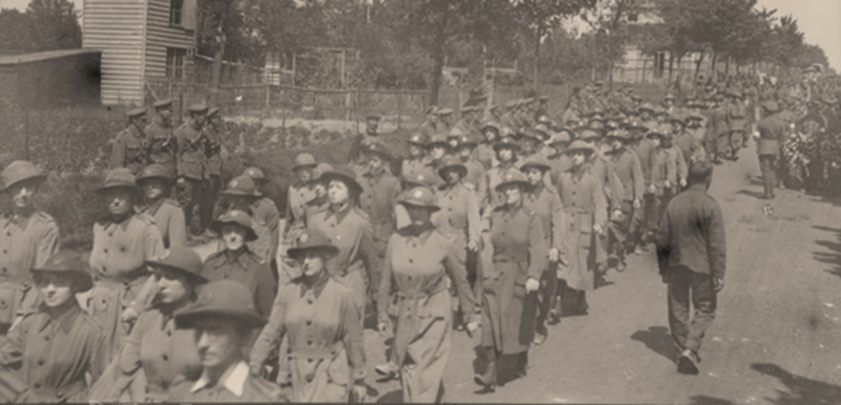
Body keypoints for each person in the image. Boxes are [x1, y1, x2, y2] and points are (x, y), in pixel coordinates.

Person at [378, 187, 479, 402]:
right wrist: (382, 314)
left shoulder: (444, 242)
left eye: (421, 210)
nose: (416, 214)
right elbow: (386, 280)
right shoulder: (396, 240)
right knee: (409, 365)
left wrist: (469, 315)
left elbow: (461, 279)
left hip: (435, 312)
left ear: (431, 212)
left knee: (425, 369)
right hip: (404, 311)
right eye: (411, 209)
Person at [251, 229, 367, 403]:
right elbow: (271, 332)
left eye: (312, 255)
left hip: (331, 377)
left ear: (325, 257)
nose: (306, 262)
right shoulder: (288, 292)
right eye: (301, 257)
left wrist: (359, 379)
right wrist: (254, 365)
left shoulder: (343, 294)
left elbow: (354, 339)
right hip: (294, 375)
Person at [90, 246, 207, 402]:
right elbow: (123, 366)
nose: (161, 284)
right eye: (158, 277)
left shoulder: (208, 322)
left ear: (191, 282)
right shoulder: (149, 318)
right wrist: (97, 399)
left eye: (171, 277)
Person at [0, 250, 106, 403]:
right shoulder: (29, 323)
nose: (50, 290)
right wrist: (19, 394)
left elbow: (104, 385)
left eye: (59, 282)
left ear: (74, 285)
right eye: (44, 282)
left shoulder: (92, 332)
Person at [474, 171, 546, 392]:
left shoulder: (531, 216)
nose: (509, 193)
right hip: (496, 273)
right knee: (490, 321)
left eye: (514, 188)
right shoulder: (495, 214)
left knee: (515, 322)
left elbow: (538, 248)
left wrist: (534, 275)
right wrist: (484, 273)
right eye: (505, 189)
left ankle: (520, 357)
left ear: (522, 191)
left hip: (519, 273)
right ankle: (491, 370)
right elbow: (489, 246)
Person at [655, 160, 726, 375]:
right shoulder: (711, 205)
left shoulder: (675, 202)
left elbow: (662, 237)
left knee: (678, 308)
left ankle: (682, 351)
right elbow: (716, 244)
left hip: (676, 263)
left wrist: (663, 267)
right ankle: (690, 348)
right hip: (703, 267)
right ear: (708, 179)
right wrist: (719, 272)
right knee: (705, 309)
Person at [89, 168, 165, 363]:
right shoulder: (99, 226)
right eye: (111, 194)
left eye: (121, 194)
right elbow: (96, 268)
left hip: (127, 305)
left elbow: (158, 274)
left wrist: (137, 306)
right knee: (96, 358)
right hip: (99, 306)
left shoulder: (147, 229)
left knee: (124, 360)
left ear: (132, 198)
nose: (115, 200)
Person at [167, 280, 286, 402]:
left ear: (244, 335)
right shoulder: (181, 392)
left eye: (215, 331)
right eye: (199, 331)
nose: (202, 343)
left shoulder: (265, 398)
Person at [307, 165, 380, 315]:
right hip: (322, 283)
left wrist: (375, 291)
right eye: (331, 186)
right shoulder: (317, 220)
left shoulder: (360, 223)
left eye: (338, 187)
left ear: (351, 191)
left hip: (351, 283)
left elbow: (372, 260)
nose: (332, 191)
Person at [0, 161, 59, 335]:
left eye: (29, 187)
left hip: (24, 312)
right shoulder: (2, 223)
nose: (23, 194)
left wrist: (23, 314)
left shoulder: (45, 227)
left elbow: (43, 277)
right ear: (9, 191)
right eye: (18, 188)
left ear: (37, 190)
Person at [555, 141, 607, 316]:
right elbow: (558, 203)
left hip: (584, 225)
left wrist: (600, 221)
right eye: (573, 154)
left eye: (579, 154)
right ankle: (559, 301)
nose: (575, 157)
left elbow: (599, 203)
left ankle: (581, 296)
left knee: (583, 264)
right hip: (565, 224)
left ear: (586, 156)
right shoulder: (563, 177)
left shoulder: (593, 179)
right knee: (563, 261)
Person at [519, 154, 565, 339]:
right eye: (528, 172)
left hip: (545, 247)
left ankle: (540, 324)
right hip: (524, 247)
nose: (531, 176)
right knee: (525, 287)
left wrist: (556, 246)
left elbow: (558, 223)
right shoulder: (521, 193)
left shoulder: (551, 195)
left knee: (544, 288)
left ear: (543, 173)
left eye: (535, 172)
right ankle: (527, 323)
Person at [202, 210, 276, 318]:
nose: (233, 236)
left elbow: (267, 315)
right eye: (227, 231)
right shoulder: (210, 264)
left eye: (238, 231)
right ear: (222, 235)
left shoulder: (260, 269)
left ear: (246, 235)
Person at [604, 129, 643, 272]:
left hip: (626, 197)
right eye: (613, 140)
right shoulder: (608, 158)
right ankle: (607, 256)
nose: (615, 143)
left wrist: (638, 196)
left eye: (618, 140)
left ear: (624, 142)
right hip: (610, 196)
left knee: (621, 229)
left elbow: (638, 177)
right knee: (608, 227)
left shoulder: (631, 156)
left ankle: (620, 258)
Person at [358, 143, 401, 262]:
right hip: (363, 234)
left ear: (383, 162)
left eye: (375, 160)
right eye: (369, 160)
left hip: (383, 236)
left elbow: (398, 215)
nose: (371, 163)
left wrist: (386, 238)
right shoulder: (361, 180)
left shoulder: (392, 183)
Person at [174, 103, 210, 237]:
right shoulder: (181, 132)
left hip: (198, 174)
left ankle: (188, 230)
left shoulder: (201, 131)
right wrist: (179, 175)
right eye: (203, 116)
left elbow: (202, 154)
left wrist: (205, 174)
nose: (206, 118)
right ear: (195, 116)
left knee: (193, 204)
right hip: (186, 174)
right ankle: (179, 233)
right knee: (184, 204)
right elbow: (177, 154)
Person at [136, 164, 186, 248]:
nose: (150, 186)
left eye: (155, 183)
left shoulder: (173, 211)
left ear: (164, 185)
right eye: (146, 183)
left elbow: (177, 248)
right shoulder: (138, 210)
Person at [243, 167, 280, 268]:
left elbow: (273, 241)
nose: (252, 187)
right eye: (248, 183)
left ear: (261, 185)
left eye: (256, 184)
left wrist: (265, 265)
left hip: (263, 260)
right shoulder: (238, 206)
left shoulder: (268, 207)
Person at [756, 101, 789, 200]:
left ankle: (767, 192)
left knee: (765, 171)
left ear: (766, 111)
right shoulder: (780, 123)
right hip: (775, 148)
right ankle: (772, 191)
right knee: (772, 170)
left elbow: (756, 136)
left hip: (764, 147)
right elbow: (784, 137)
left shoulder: (762, 123)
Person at [110, 107, 149, 174]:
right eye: (143, 120)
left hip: (144, 175)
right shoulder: (123, 137)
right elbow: (117, 166)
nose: (145, 123)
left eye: (146, 121)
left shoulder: (145, 136)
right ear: (134, 120)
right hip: (129, 177)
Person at [204, 107, 225, 232]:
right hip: (210, 170)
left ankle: (213, 223)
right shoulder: (205, 132)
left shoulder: (216, 132)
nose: (219, 120)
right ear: (210, 119)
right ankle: (206, 225)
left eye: (220, 118)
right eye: (217, 118)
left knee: (215, 198)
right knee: (208, 199)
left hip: (217, 169)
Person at [145, 99, 177, 178]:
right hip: (157, 170)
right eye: (169, 111)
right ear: (161, 111)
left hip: (171, 169)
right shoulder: (150, 129)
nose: (171, 113)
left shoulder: (171, 128)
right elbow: (146, 153)